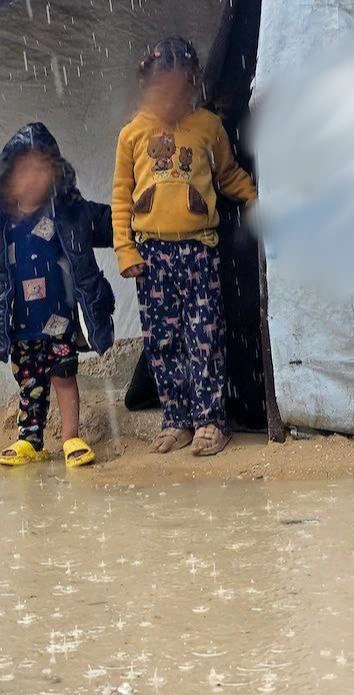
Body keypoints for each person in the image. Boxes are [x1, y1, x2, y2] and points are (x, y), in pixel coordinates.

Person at [112, 37, 257, 456]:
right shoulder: (132, 135)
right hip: (151, 257)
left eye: (180, 91)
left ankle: (211, 421)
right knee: (162, 340)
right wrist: (125, 249)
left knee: (205, 335)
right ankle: (177, 418)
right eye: (162, 92)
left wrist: (253, 197)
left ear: (193, 85)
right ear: (146, 86)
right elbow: (121, 197)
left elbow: (227, 175)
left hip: (199, 251)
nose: (171, 101)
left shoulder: (208, 127)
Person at [0, 122, 116, 468]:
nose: (34, 178)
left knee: (63, 375)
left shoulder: (68, 212)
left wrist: (139, 217)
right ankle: (30, 440)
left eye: (42, 169)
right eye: (25, 170)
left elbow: (111, 223)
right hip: (20, 322)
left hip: (59, 318)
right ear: (8, 176)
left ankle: (70, 437)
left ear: (56, 173)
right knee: (29, 381)